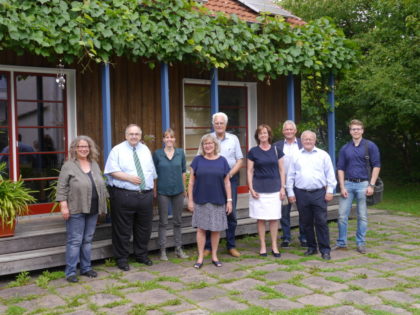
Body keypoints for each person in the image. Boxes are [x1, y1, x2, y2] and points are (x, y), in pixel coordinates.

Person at [104, 124, 157, 271]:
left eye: (137, 134)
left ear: (140, 135)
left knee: (144, 228)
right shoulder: (117, 150)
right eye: (131, 134)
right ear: (126, 135)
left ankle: (141, 255)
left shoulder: (145, 149)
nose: (134, 136)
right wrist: (129, 178)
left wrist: (153, 190)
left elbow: (151, 172)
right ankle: (121, 259)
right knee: (122, 229)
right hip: (124, 195)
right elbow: (111, 170)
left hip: (145, 196)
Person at [56, 136, 108, 283]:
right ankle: (71, 272)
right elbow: (62, 187)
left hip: (92, 208)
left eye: (86, 146)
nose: (84, 149)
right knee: (75, 241)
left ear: (90, 148)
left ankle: (86, 268)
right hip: (76, 208)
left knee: (88, 240)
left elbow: (100, 184)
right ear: (75, 149)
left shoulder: (94, 164)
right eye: (80, 147)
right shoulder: (69, 166)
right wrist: (63, 206)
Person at [286, 130, 337, 260]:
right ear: (301, 141)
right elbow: (291, 175)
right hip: (301, 193)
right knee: (306, 223)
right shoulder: (296, 155)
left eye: (310, 139)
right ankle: (311, 247)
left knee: (321, 222)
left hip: (319, 193)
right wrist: (290, 192)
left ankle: (325, 249)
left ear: (315, 141)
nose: (308, 141)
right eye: (305, 139)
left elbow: (330, 174)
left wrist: (330, 190)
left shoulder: (323, 155)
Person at [334, 119, 381, 254]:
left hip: (363, 184)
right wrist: (342, 186)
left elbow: (376, 165)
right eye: (353, 129)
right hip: (347, 184)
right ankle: (341, 242)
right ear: (350, 131)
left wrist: (371, 184)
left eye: (358, 129)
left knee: (362, 216)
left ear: (362, 130)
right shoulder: (345, 148)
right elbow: (340, 168)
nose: (356, 131)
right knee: (342, 215)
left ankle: (360, 243)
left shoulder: (370, 146)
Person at [188, 134, 232, 268]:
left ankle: (214, 255)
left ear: (215, 145)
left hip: (218, 200)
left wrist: (229, 200)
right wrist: (190, 200)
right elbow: (190, 182)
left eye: (210, 143)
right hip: (200, 200)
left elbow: (227, 183)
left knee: (216, 229)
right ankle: (200, 257)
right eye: (205, 144)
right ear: (202, 146)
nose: (208, 146)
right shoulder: (197, 160)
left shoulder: (223, 161)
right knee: (201, 229)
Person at [203, 112, 244, 258]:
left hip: (230, 179)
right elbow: (199, 159)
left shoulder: (234, 139)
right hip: (211, 182)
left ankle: (231, 245)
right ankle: (208, 246)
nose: (219, 125)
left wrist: (230, 174)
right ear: (213, 124)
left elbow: (240, 160)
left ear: (226, 125)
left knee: (230, 213)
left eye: (221, 123)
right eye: (216, 123)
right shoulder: (207, 139)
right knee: (210, 212)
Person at [247, 124, 286, 257]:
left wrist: (282, 187)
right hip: (259, 189)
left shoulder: (277, 150)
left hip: (274, 188)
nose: (263, 135)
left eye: (265, 133)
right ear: (257, 136)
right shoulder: (253, 151)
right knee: (261, 219)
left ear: (269, 135)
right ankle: (263, 245)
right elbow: (249, 170)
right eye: (260, 133)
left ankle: (274, 245)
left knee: (274, 219)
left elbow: (282, 170)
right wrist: (251, 188)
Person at [153, 128, 189, 261]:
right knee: (163, 221)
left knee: (178, 221)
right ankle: (162, 250)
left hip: (178, 191)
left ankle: (178, 249)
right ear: (163, 140)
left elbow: (184, 171)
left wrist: (184, 188)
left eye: (171, 137)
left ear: (174, 139)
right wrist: (155, 189)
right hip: (163, 191)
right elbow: (154, 173)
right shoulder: (157, 154)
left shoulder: (180, 153)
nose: (169, 139)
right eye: (166, 137)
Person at [273, 120, 307, 248]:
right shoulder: (277, 146)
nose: (288, 131)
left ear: (295, 131)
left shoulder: (303, 144)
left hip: (299, 182)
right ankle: (286, 237)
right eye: (286, 129)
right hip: (283, 183)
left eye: (290, 129)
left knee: (303, 211)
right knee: (284, 212)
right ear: (283, 132)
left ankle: (303, 237)